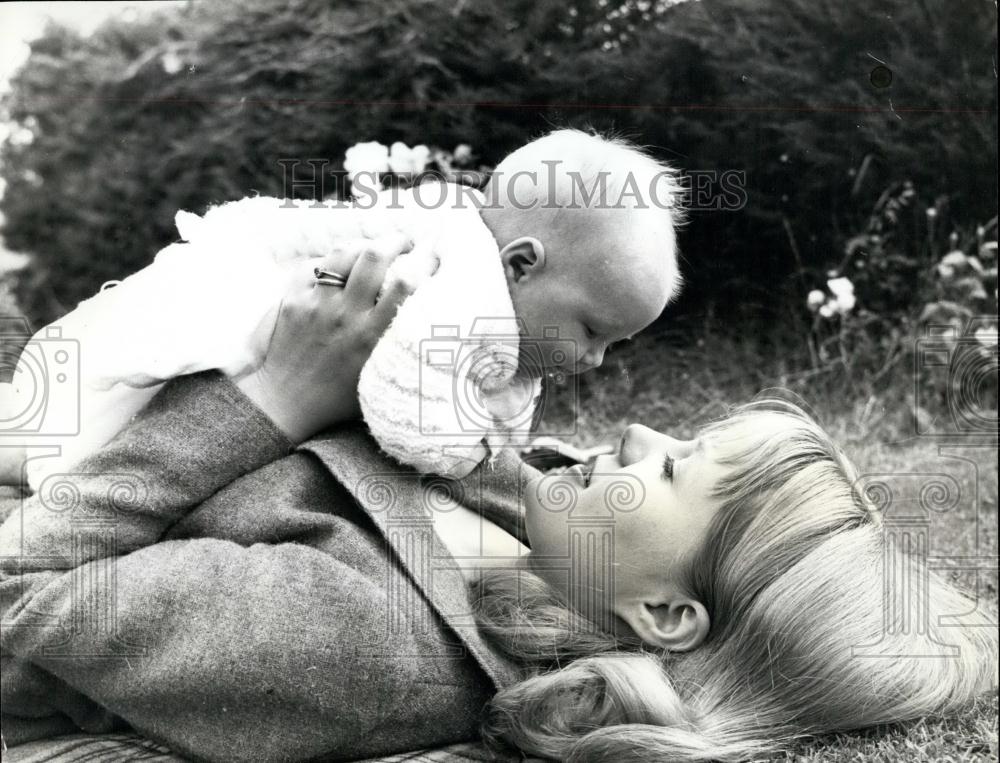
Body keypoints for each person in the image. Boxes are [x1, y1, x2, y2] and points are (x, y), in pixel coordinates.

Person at [1, 243, 994, 763]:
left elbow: (22, 589)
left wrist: (267, 402)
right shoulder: (545, 542)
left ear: (662, 613)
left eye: (673, 472)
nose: (643, 434)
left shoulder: (362, 646)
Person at [4, 129, 681, 486]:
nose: (594, 358)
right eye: (594, 330)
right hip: (249, 339)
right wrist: (476, 467)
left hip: (272, 346)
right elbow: (409, 406)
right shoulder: (458, 291)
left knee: (47, 422)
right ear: (521, 265)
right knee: (83, 433)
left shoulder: (469, 254)